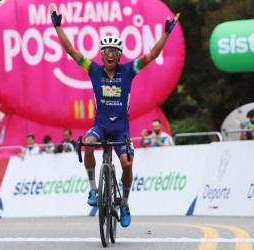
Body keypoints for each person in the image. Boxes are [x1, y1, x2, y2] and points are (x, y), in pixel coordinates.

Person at [50, 4, 180, 227]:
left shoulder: (129, 70)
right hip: (100, 125)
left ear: (119, 56)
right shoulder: (93, 69)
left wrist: (167, 33)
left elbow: (153, 54)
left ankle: (125, 203)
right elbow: (71, 51)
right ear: (101, 54)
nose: (110, 55)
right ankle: (93, 190)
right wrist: (58, 27)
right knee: (88, 144)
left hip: (121, 128)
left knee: (127, 164)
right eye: (106, 51)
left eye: (114, 52)